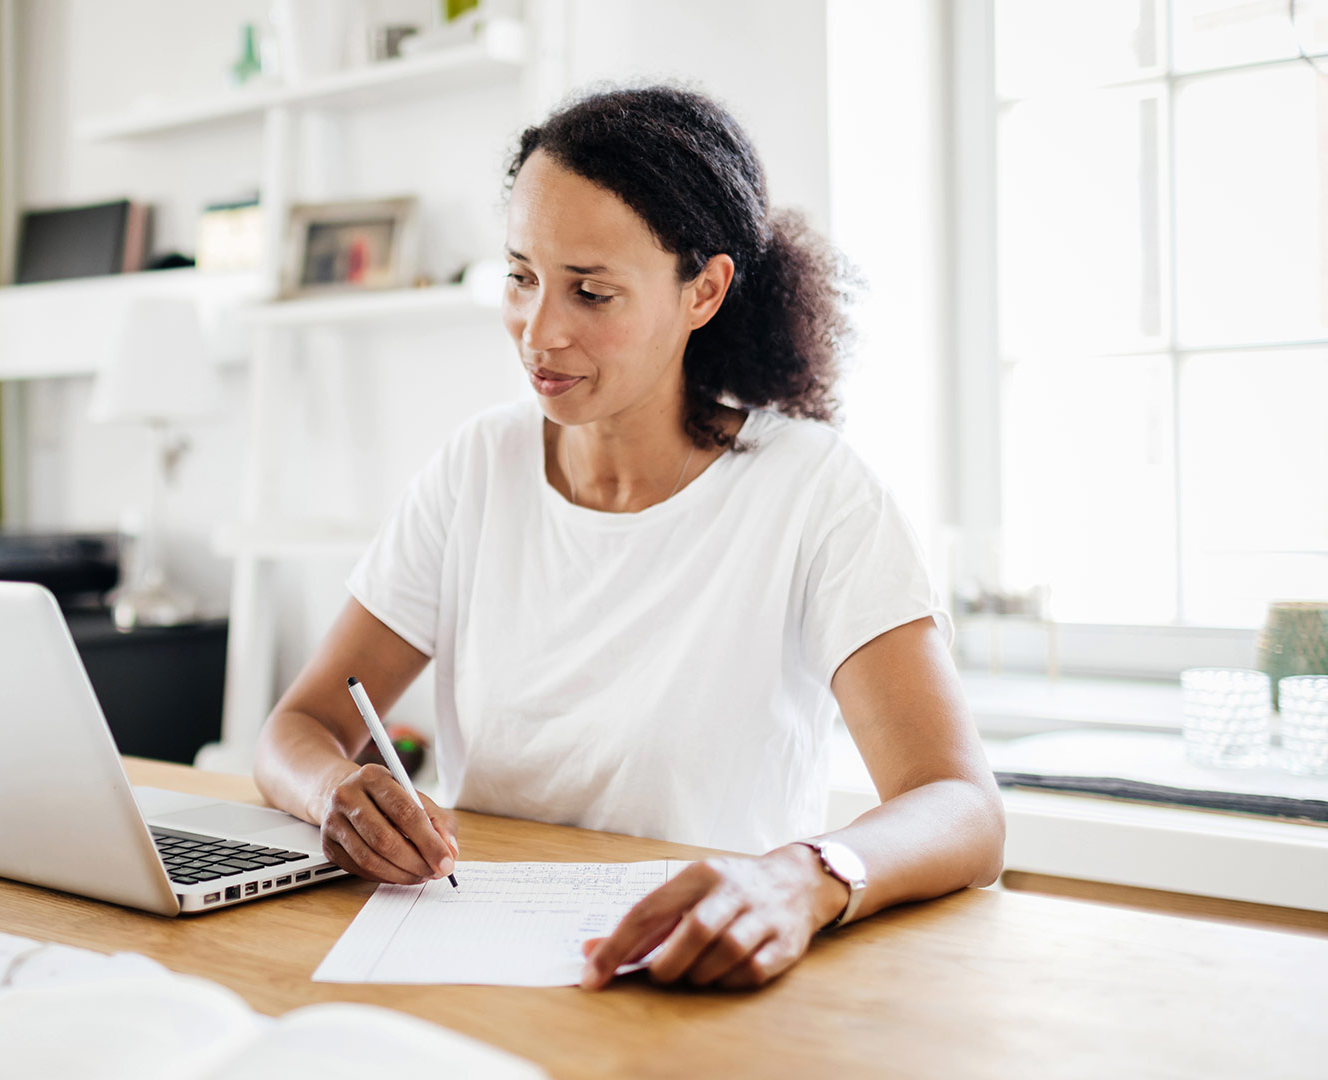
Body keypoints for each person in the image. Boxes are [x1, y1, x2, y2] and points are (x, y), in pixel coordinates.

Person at [252, 85, 1005, 991]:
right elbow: (299, 726)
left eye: (592, 291)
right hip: (471, 960)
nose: (540, 332)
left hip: (701, 975)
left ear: (705, 290)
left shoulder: (813, 489)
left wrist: (800, 876)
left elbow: (962, 808)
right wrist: (332, 792)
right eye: (521, 276)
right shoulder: (477, 467)